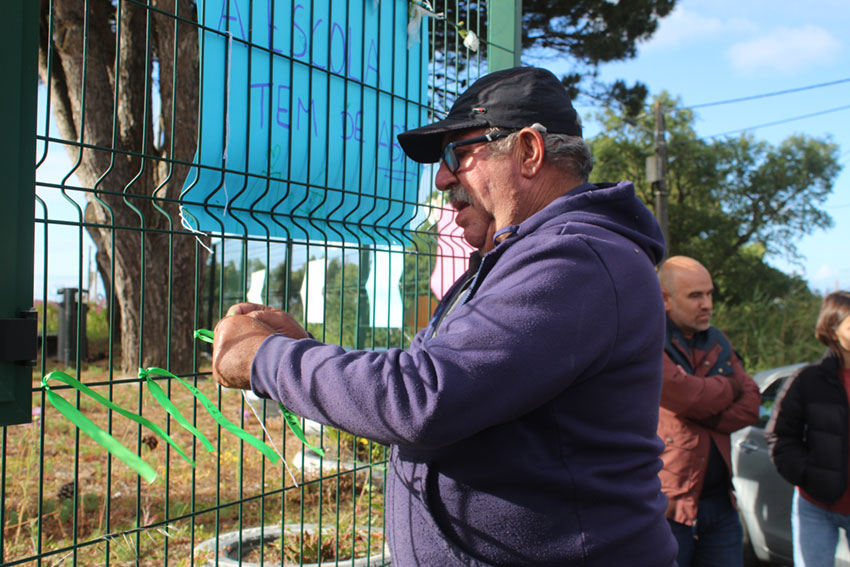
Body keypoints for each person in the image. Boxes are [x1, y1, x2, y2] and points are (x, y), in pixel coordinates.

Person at [211, 66, 678, 566]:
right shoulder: (515, 261)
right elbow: (431, 377)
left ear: (528, 151)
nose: (441, 178)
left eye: (457, 154)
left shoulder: (575, 261)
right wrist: (304, 349)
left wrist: (263, 357)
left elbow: (421, 398)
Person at [656, 255, 760, 567]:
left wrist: (705, 410)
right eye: (695, 296)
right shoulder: (650, 340)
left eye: (709, 294)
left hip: (722, 505)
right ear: (665, 299)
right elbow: (687, 398)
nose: (708, 305)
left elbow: (751, 404)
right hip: (670, 507)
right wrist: (728, 388)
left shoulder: (718, 340)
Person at [766, 291, 850, 567]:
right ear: (832, 331)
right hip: (816, 506)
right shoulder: (807, 380)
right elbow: (780, 436)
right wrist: (808, 476)